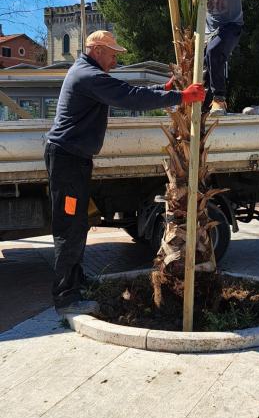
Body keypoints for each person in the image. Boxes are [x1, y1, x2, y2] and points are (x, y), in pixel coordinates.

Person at [45, 30, 205, 315]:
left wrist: (166, 91)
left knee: (78, 223)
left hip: (73, 159)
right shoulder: (88, 76)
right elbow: (127, 96)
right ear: (97, 51)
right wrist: (180, 97)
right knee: (69, 227)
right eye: (113, 54)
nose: (116, 59)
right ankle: (66, 297)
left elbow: (127, 91)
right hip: (67, 161)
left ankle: (76, 280)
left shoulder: (88, 73)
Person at [203, 0, 244, 115]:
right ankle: (203, 107)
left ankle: (220, 99)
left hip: (231, 26)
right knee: (203, 68)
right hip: (208, 31)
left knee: (214, 51)